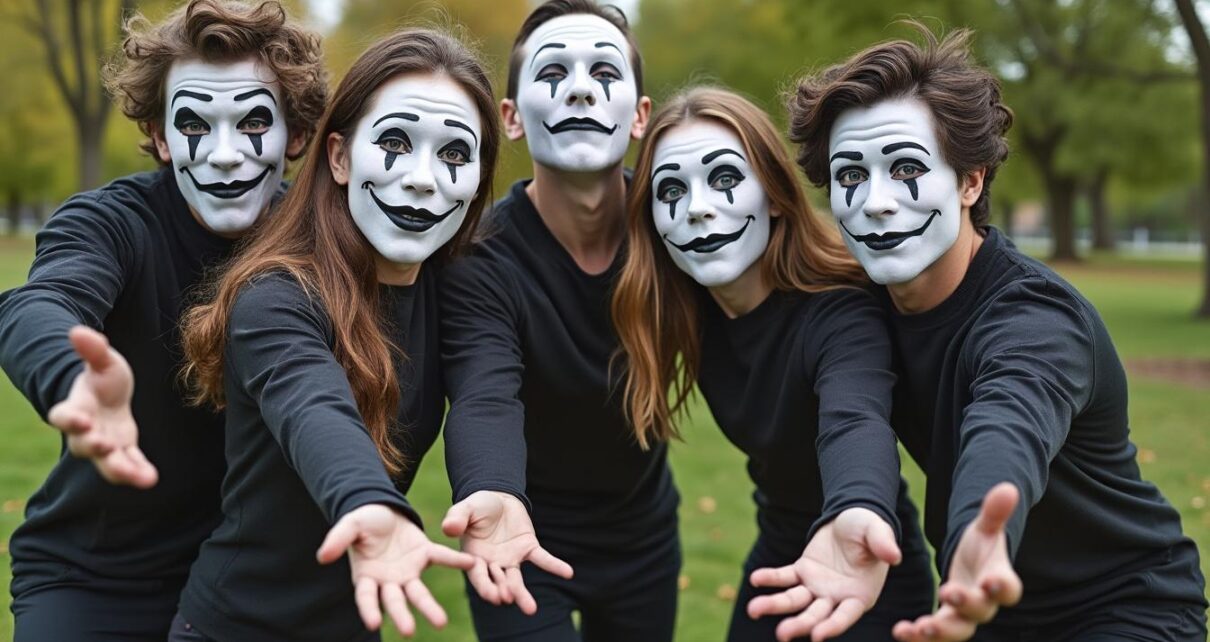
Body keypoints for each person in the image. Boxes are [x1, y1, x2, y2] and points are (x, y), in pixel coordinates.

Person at [782, 25, 1208, 642]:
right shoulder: (859, 307)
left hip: (1125, 606)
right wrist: (856, 507)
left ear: (970, 181)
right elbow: (854, 411)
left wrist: (981, 531)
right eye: (850, 175)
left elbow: (1008, 422)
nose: (872, 201)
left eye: (904, 167)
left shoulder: (1037, 316)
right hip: (984, 608)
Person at [0, 2, 326, 639]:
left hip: (254, 584)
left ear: (296, 134)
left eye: (254, 121)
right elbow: (37, 304)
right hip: (97, 576)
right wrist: (73, 377)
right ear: (158, 134)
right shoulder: (111, 223)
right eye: (196, 125)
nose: (227, 155)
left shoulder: (323, 242)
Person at [173, 27, 499, 642]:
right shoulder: (274, 293)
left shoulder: (459, 285)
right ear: (340, 158)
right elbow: (312, 406)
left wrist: (498, 488)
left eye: (455, 154)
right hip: (234, 626)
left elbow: (489, 390)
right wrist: (369, 504)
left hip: (361, 618)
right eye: (397, 142)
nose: (425, 178)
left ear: (479, 179)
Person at [612, 86, 933, 642]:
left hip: (863, 561)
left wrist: (855, 506)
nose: (698, 207)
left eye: (725, 179)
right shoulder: (685, 311)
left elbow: (854, 418)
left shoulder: (839, 311)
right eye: (671, 190)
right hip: (779, 551)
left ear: (777, 195)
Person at [437, 1, 680, 640]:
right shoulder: (479, 257)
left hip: (643, 536)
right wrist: (492, 492)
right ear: (512, 119)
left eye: (603, 71)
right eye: (552, 74)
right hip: (515, 534)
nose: (578, 87)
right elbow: (484, 392)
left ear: (639, 116)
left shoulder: (681, 229)